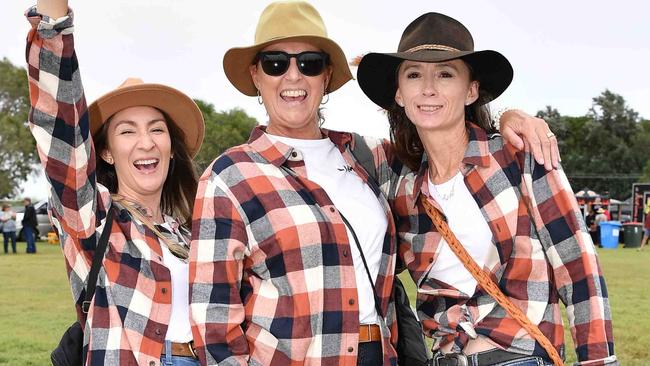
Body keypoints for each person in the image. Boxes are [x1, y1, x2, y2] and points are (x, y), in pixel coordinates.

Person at [189, 2, 560, 365]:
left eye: (309, 64)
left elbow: (444, 137)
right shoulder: (230, 177)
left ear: (327, 76)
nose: (293, 76)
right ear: (256, 75)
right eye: (275, 63)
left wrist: (512, 118)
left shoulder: (372, 159)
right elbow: (213, 318)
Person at [357, 12, 617, 366]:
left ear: (471, 90)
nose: (428, 88)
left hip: (518, 358)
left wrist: (599, 362)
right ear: (399, 94)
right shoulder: (400, 186)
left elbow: (579, 270)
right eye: (414, 74)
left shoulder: (519, 156)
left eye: (445, 74)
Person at [26, 1, 205, 364]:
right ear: (105, 152)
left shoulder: (191, 232)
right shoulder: (93, 216)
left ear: (172, 149)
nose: (146, 142)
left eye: (157, 129)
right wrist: (53, 26)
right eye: (128, 131)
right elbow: (60, 130)